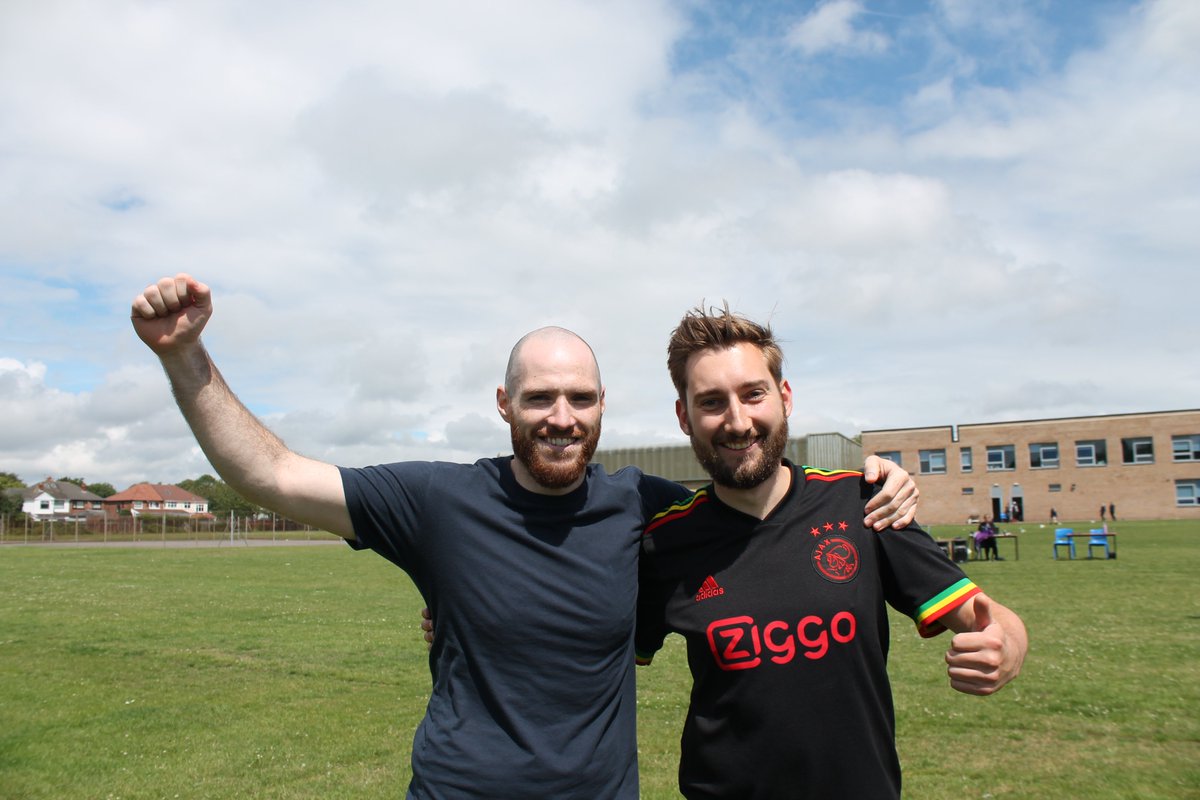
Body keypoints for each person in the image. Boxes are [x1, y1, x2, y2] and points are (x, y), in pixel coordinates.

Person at [131, 274, 920, 799]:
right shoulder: (436, 500)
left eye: (579, 397)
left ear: (603, 404)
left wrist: (870, 479)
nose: (561, 417)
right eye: (539, 398)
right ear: (504, 404)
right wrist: (184, 355)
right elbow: (273, 476)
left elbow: (754, 506)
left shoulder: (644, 507)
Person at [635, 305, 1028, 799]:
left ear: (784, 397)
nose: (737, 421)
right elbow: (595, 658)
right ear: (683, 417)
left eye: (753, 394)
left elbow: (989, 619)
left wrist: (1008, 646)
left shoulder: (866, 504)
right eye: (711, 402)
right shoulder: (666, 541)